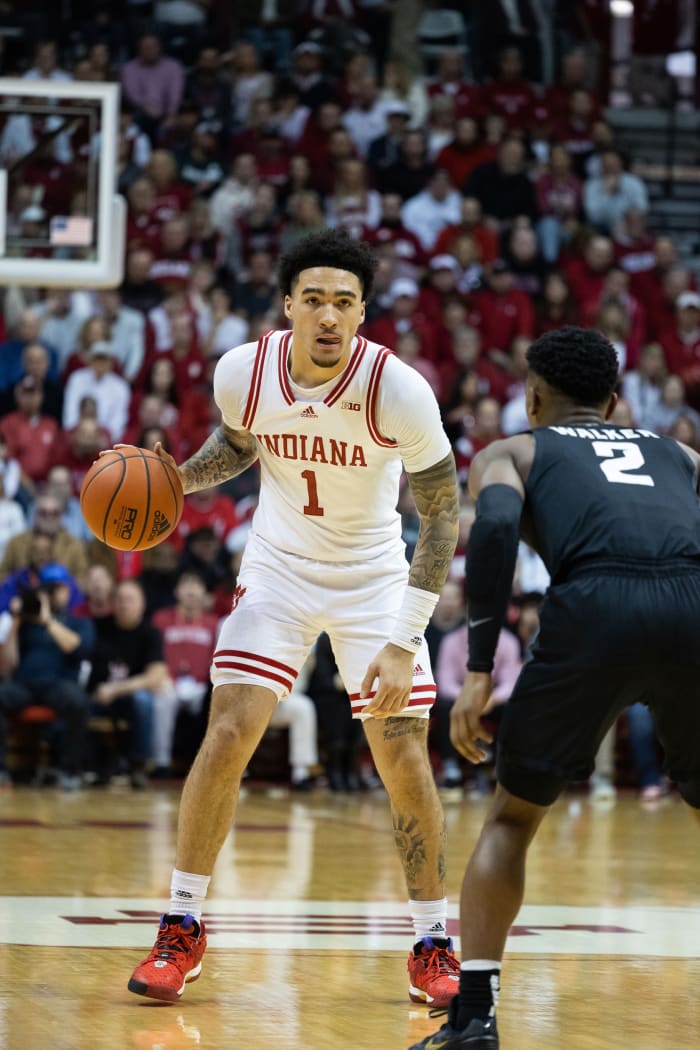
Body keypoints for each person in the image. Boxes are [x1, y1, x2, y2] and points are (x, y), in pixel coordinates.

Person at [127, 228, 461, 1008]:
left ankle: (432, 941)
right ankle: (182, 926)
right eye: (313, 298)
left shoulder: (399, 390)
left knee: (403, 755)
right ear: (287, 307)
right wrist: (179, 478)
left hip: (374, 579)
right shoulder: (243, 372)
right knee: (231, 726)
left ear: (363, 314)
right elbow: (242, 443)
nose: (328, 315)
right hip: (277, 565)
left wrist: (406, 637)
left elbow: (442, 516)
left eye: (344, 302)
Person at [412, 326, 700, 1049]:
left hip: (594, 606)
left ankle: (473, 1020)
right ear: (614, 400)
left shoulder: (514, 449)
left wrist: (480, 669)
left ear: (533, 397)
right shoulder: (684, 455)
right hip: (694, 603)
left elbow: (498, 532)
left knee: (513, 819)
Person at [0, 563, 94, 790]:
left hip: (58, 685)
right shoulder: (22, 624)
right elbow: (6, 667)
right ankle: (1, 770)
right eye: (48, 590)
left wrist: (48, 620)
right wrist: (14, 622)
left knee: (78, 701)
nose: (53, 595)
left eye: (57, 589)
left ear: (68, 590)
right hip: (24, 685)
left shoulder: (78, 622)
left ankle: (69, 770)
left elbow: (76, 648)